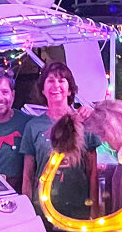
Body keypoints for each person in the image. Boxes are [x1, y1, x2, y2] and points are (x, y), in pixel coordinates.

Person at [19, 61, 100, 220]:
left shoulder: (85, 123)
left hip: (78, 209)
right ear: (43, 90)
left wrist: (95, 211)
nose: (56, 85)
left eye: (61, 80)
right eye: (50, 81)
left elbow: (93, 173)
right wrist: (26, 214)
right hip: (42, 211)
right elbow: (28, 174)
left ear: (70, 90)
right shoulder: (33, 126)